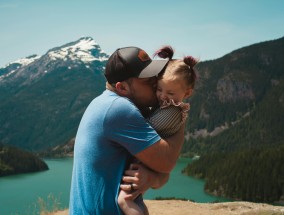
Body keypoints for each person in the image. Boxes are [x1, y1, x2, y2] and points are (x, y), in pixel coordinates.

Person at [69, 46, 187, 214]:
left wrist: (151, 178)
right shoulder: (119, 109)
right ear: (122, 87)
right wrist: (179, 110)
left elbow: (162, 172)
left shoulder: (106, 102)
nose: (155, 82)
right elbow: (167, 161)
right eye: (147, 80)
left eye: (155, 76)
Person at [117, 46, 198, 215]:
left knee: (125, 199)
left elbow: (150, 126)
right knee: (136, 199)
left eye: (170, 92)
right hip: (149, 160)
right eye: (159, 89)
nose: (162, 96)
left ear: (187, 92)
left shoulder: (172, 111)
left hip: (146, 161)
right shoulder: (169, 106)